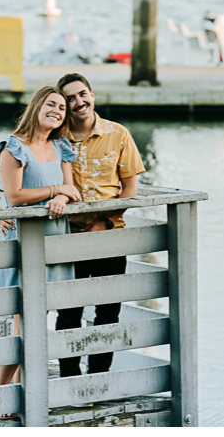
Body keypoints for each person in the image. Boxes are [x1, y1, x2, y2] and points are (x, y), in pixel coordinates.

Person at [0, 85, 81, 413]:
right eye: (51, 104)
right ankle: (1, 393)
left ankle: (21, 391)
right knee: (22, 319)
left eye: (62, 108)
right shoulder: (13, 147)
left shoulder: (61, 146)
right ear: (37, 106)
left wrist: (61, 196)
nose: (57, 110)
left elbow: (72, 189)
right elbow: (13, 196)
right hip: (24, 240)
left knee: (37, 317)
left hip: (54, 238)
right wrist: (55, 188)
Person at [54, 72, 145, 377]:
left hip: (110, 236)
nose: (78, 102)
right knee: (68, 311)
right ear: (64, 104)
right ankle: (69, 379)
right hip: (66, 236)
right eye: (70, 98)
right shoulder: (55, 136)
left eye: (82, 94)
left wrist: (104, 221)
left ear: (92, 94)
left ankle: (99, 380)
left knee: (107, 312)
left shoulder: (118, 134)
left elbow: (129, 191)